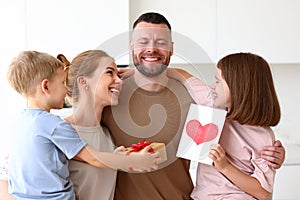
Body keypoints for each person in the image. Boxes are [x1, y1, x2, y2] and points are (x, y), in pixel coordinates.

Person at [102, 12, 286, 200]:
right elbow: (77, 135)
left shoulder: (201, 102)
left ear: (172, 49)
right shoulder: (109, 95)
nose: (151, 49)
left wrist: (271, 154)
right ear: (131, 46)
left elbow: (241, 116)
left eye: (161, 42)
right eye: (143, 42)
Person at [1, 50, 160, 200]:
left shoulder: (107, 135)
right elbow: (5, 183)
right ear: (83, 82)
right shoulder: (55, 130)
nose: (119, 80)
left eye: (118, 74)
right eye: (110, 72)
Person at [168, 52, 280, 199]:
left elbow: (262, 192)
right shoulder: (211, 105)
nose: (213, 87)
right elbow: (181, 74)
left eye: (218, 81)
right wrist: (135, 72)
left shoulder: (263, 137)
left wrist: (224, 167)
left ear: (238, 87)